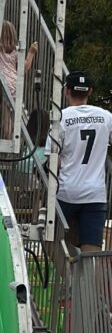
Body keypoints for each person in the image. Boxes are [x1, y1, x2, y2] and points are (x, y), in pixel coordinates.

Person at [48, 71, 112, 252]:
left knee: (50, 240)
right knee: (92, 251)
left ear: (67, 91)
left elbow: (52, 159)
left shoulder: (60, 118)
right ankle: (87, 281)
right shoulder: (106, 117)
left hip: (67, 191)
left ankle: (68, 276)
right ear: (90, 91)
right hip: (95, 193)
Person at [0, 21, 38, 136]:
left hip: (2, 83)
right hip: (15, 83)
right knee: (17, 112)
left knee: (6, 116)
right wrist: (31, 53)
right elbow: (24, 68)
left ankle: (9, 138)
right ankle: (22, 137)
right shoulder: (15, 51)